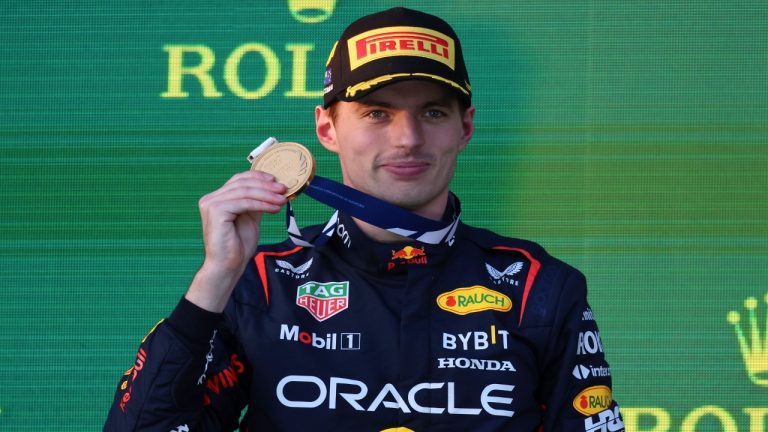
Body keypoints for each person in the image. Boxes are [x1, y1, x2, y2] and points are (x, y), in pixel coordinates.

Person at [105, 7, 624, 432]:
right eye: (377, 112)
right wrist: (215, 279)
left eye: (433, 112)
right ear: (326, 128)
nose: (407, 139)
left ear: (465, 128)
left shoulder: (540, 288)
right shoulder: (260, 284)